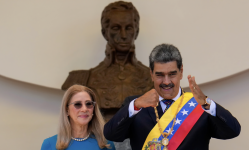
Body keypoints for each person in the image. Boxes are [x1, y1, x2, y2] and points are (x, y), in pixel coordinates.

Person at [104, 44, 241, 150]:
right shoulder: (137, 105)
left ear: (181, 72)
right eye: (160, 75)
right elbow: (111, 134)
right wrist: (136, 105)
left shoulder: (199, 105)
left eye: (172, 74)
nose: (166, 81)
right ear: (151, 74)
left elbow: (233, 131)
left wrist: (207, 104)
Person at [61, 1, 153, 120]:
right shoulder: (80, 79)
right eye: (116, 28)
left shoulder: (153, 79)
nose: (124, 35)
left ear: (136, 31)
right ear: (105, 32)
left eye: (129, 28)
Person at [41, 85, 115, 150]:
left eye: (89, 104)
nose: (84, 109)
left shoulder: (107, 144)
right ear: (67, 110)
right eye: (77, 104)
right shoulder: (49, 144)